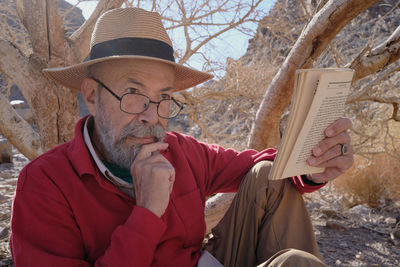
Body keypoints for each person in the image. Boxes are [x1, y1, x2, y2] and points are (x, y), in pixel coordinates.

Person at [10, 7, 354, 267]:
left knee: (267, 177)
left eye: (163, 97)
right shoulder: (45, 183)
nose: (151, 115)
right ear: (92, 95)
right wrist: (146, 212)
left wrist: (311, 167)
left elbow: (261, 164)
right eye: (133, 91)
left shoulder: (181, 151)